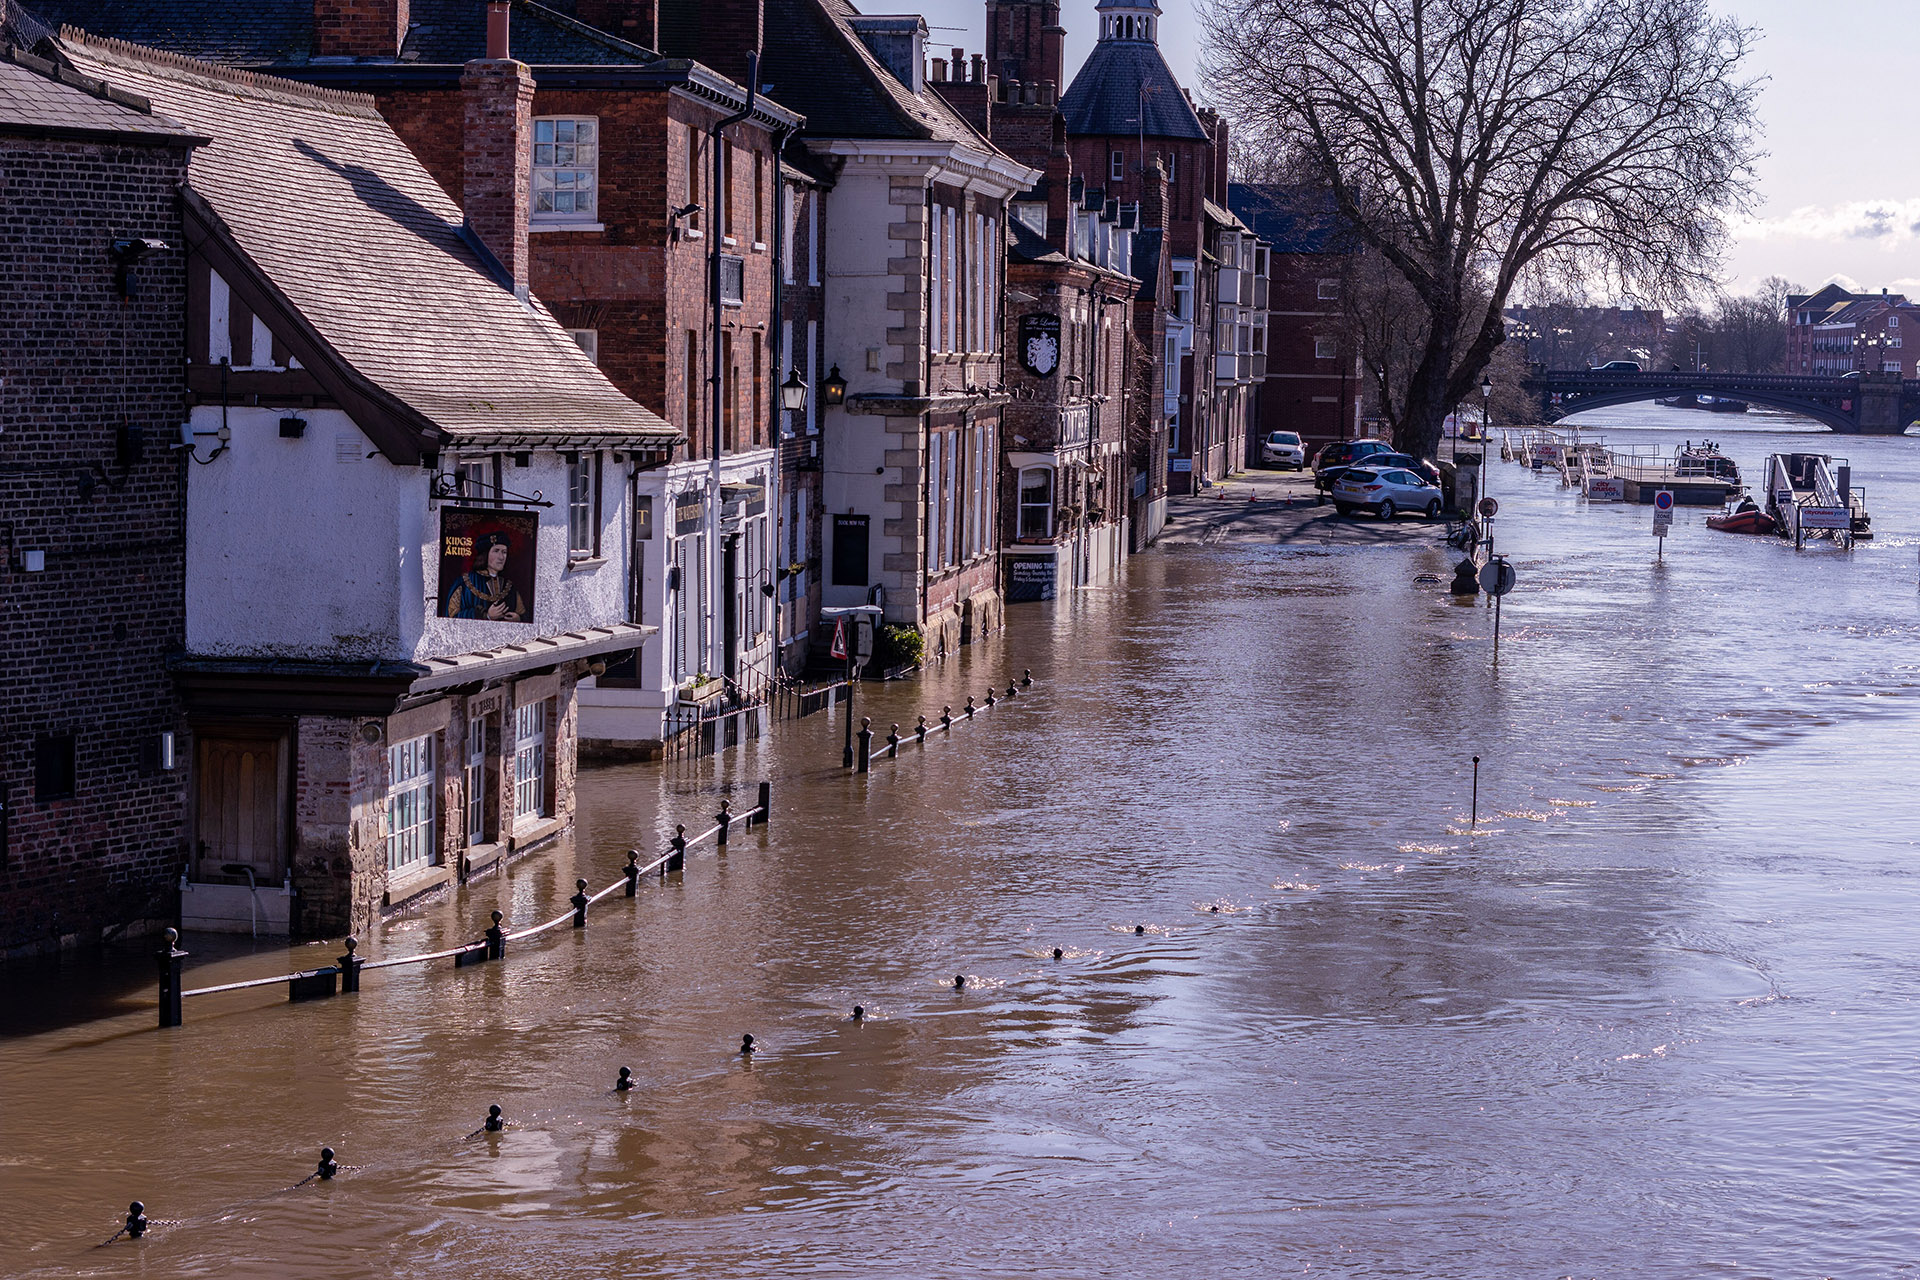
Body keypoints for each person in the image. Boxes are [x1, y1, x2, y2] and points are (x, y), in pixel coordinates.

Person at [444, 531, 526, 621]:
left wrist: (518, 618)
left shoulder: (510, 587)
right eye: (496, 551)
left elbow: (524, 615)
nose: (501, 557)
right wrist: (486, 616)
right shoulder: (463, 583)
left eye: (504, 552)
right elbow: (451, 618)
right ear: (485, 554)